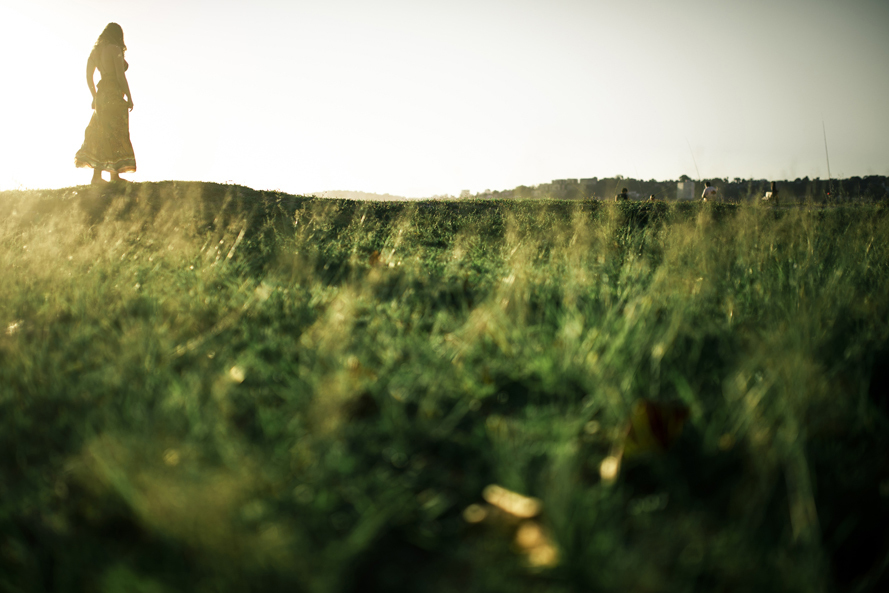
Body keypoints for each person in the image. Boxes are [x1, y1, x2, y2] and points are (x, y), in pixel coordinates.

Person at [75, 23, 136, 185]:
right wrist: (129, 97)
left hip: (102, 95)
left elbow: (88, 77)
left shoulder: (95, 53)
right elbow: (120, 76)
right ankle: (109, 176)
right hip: (113, 94)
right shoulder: (114, 49)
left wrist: (95, 96)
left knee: (101, 131)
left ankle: (102, 176)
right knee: (116, 131)